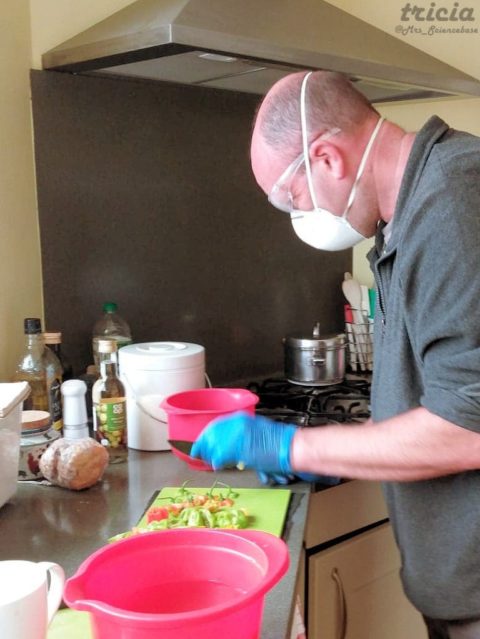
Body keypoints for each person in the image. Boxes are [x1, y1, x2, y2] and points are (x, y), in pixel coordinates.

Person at [191, 70, 480, 638]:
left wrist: (296, 443)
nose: (299, 217)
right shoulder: (412, 213)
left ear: (327, 158)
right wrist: (342, 449)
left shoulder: (454, 210)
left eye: (292, 199)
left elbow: (468, 426)